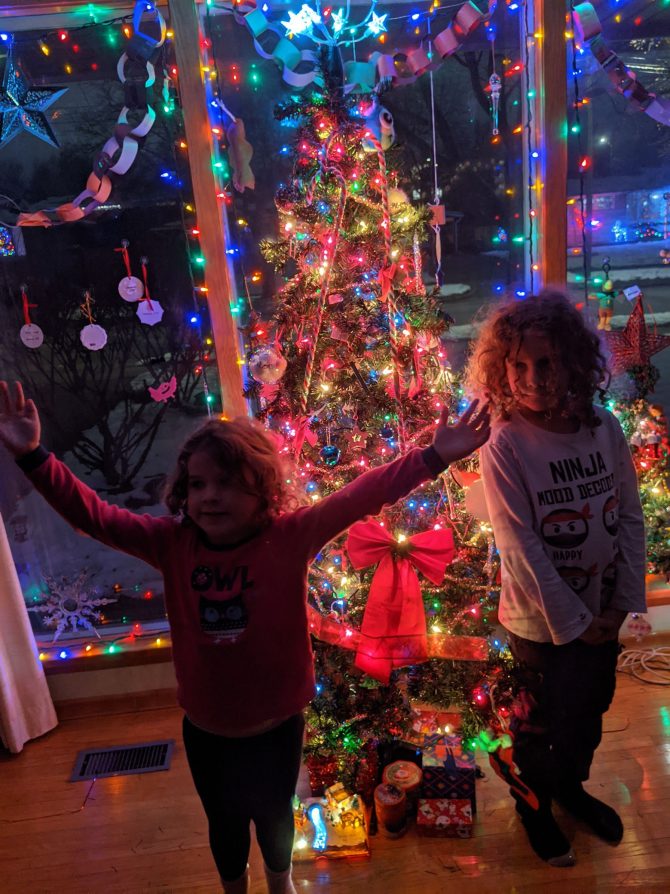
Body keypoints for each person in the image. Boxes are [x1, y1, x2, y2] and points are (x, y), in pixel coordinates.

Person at [0, 380, 489, 894]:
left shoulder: (291, 535)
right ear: (183, 492)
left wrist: (434, 456)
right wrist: (34, 456)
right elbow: (93, 517)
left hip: (279, 724)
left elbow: (362, 494)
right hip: (206, 728)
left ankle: (280, 881)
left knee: (275, 815)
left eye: (228, 483)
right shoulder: (170, 544)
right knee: (225, 824)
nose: (210, 496)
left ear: (263, 490)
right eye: (198, 484)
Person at [465, 291, 646, 867]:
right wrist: (576, 624)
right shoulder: (506, 442)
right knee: (538, 727)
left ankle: (571, 789)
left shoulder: (603, 428)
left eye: (545, 363)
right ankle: (535, 807)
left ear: (571, 362)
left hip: (601, 615)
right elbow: (519, 546)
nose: (532, 378)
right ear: (501, 369)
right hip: (539, 627)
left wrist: (620, 607)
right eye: (517, 366)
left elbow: (631, 518)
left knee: (588, 714)